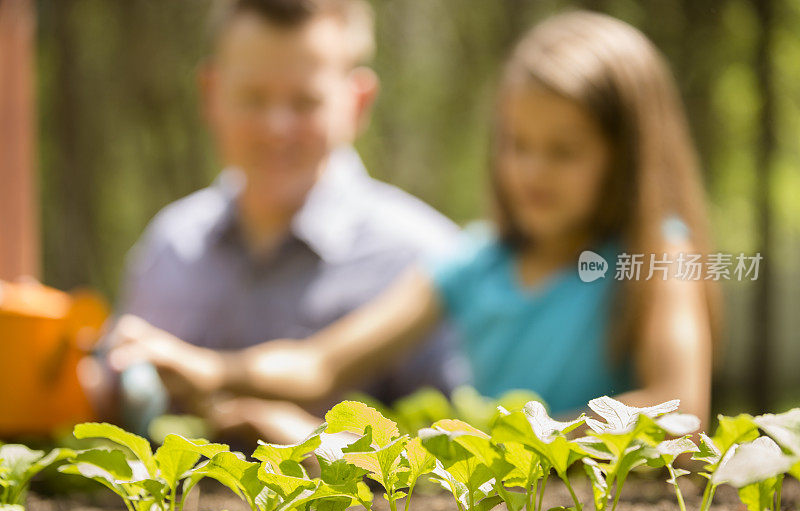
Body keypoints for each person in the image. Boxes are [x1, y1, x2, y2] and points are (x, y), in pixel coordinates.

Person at [113, 10, 717, 430]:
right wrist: (215, 370)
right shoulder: (472, 263)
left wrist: (526, 443)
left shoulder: (658, 256)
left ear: (625, 156)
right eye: (517, 144)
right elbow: (319, 362)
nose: (533, 171)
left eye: (563, 151)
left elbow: (679, 405)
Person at [105, 0, 465, 443]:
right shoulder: (168, 249)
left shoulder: (426, 259)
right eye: (253, 98)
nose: (277, 127)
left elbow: (464, 457)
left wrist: (318, 447)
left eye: (305, 101)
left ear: (359, 102)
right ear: (211, 93)